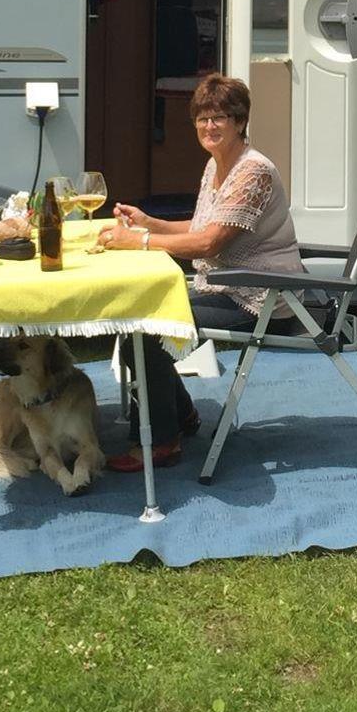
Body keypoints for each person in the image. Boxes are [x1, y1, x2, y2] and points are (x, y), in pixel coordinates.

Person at [94, 72, 305, 471]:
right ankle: (181, 415)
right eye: (202, 118)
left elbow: (209, 244)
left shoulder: (253, 171)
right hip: (228, 285)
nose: (209, 126)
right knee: (136, 316)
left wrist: (138, 240)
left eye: (219, 117)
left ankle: (162, 442)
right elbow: (202, 226)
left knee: (147, 330)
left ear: (239, 122)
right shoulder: (217, 165)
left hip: (262, 296)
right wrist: (150, 223)